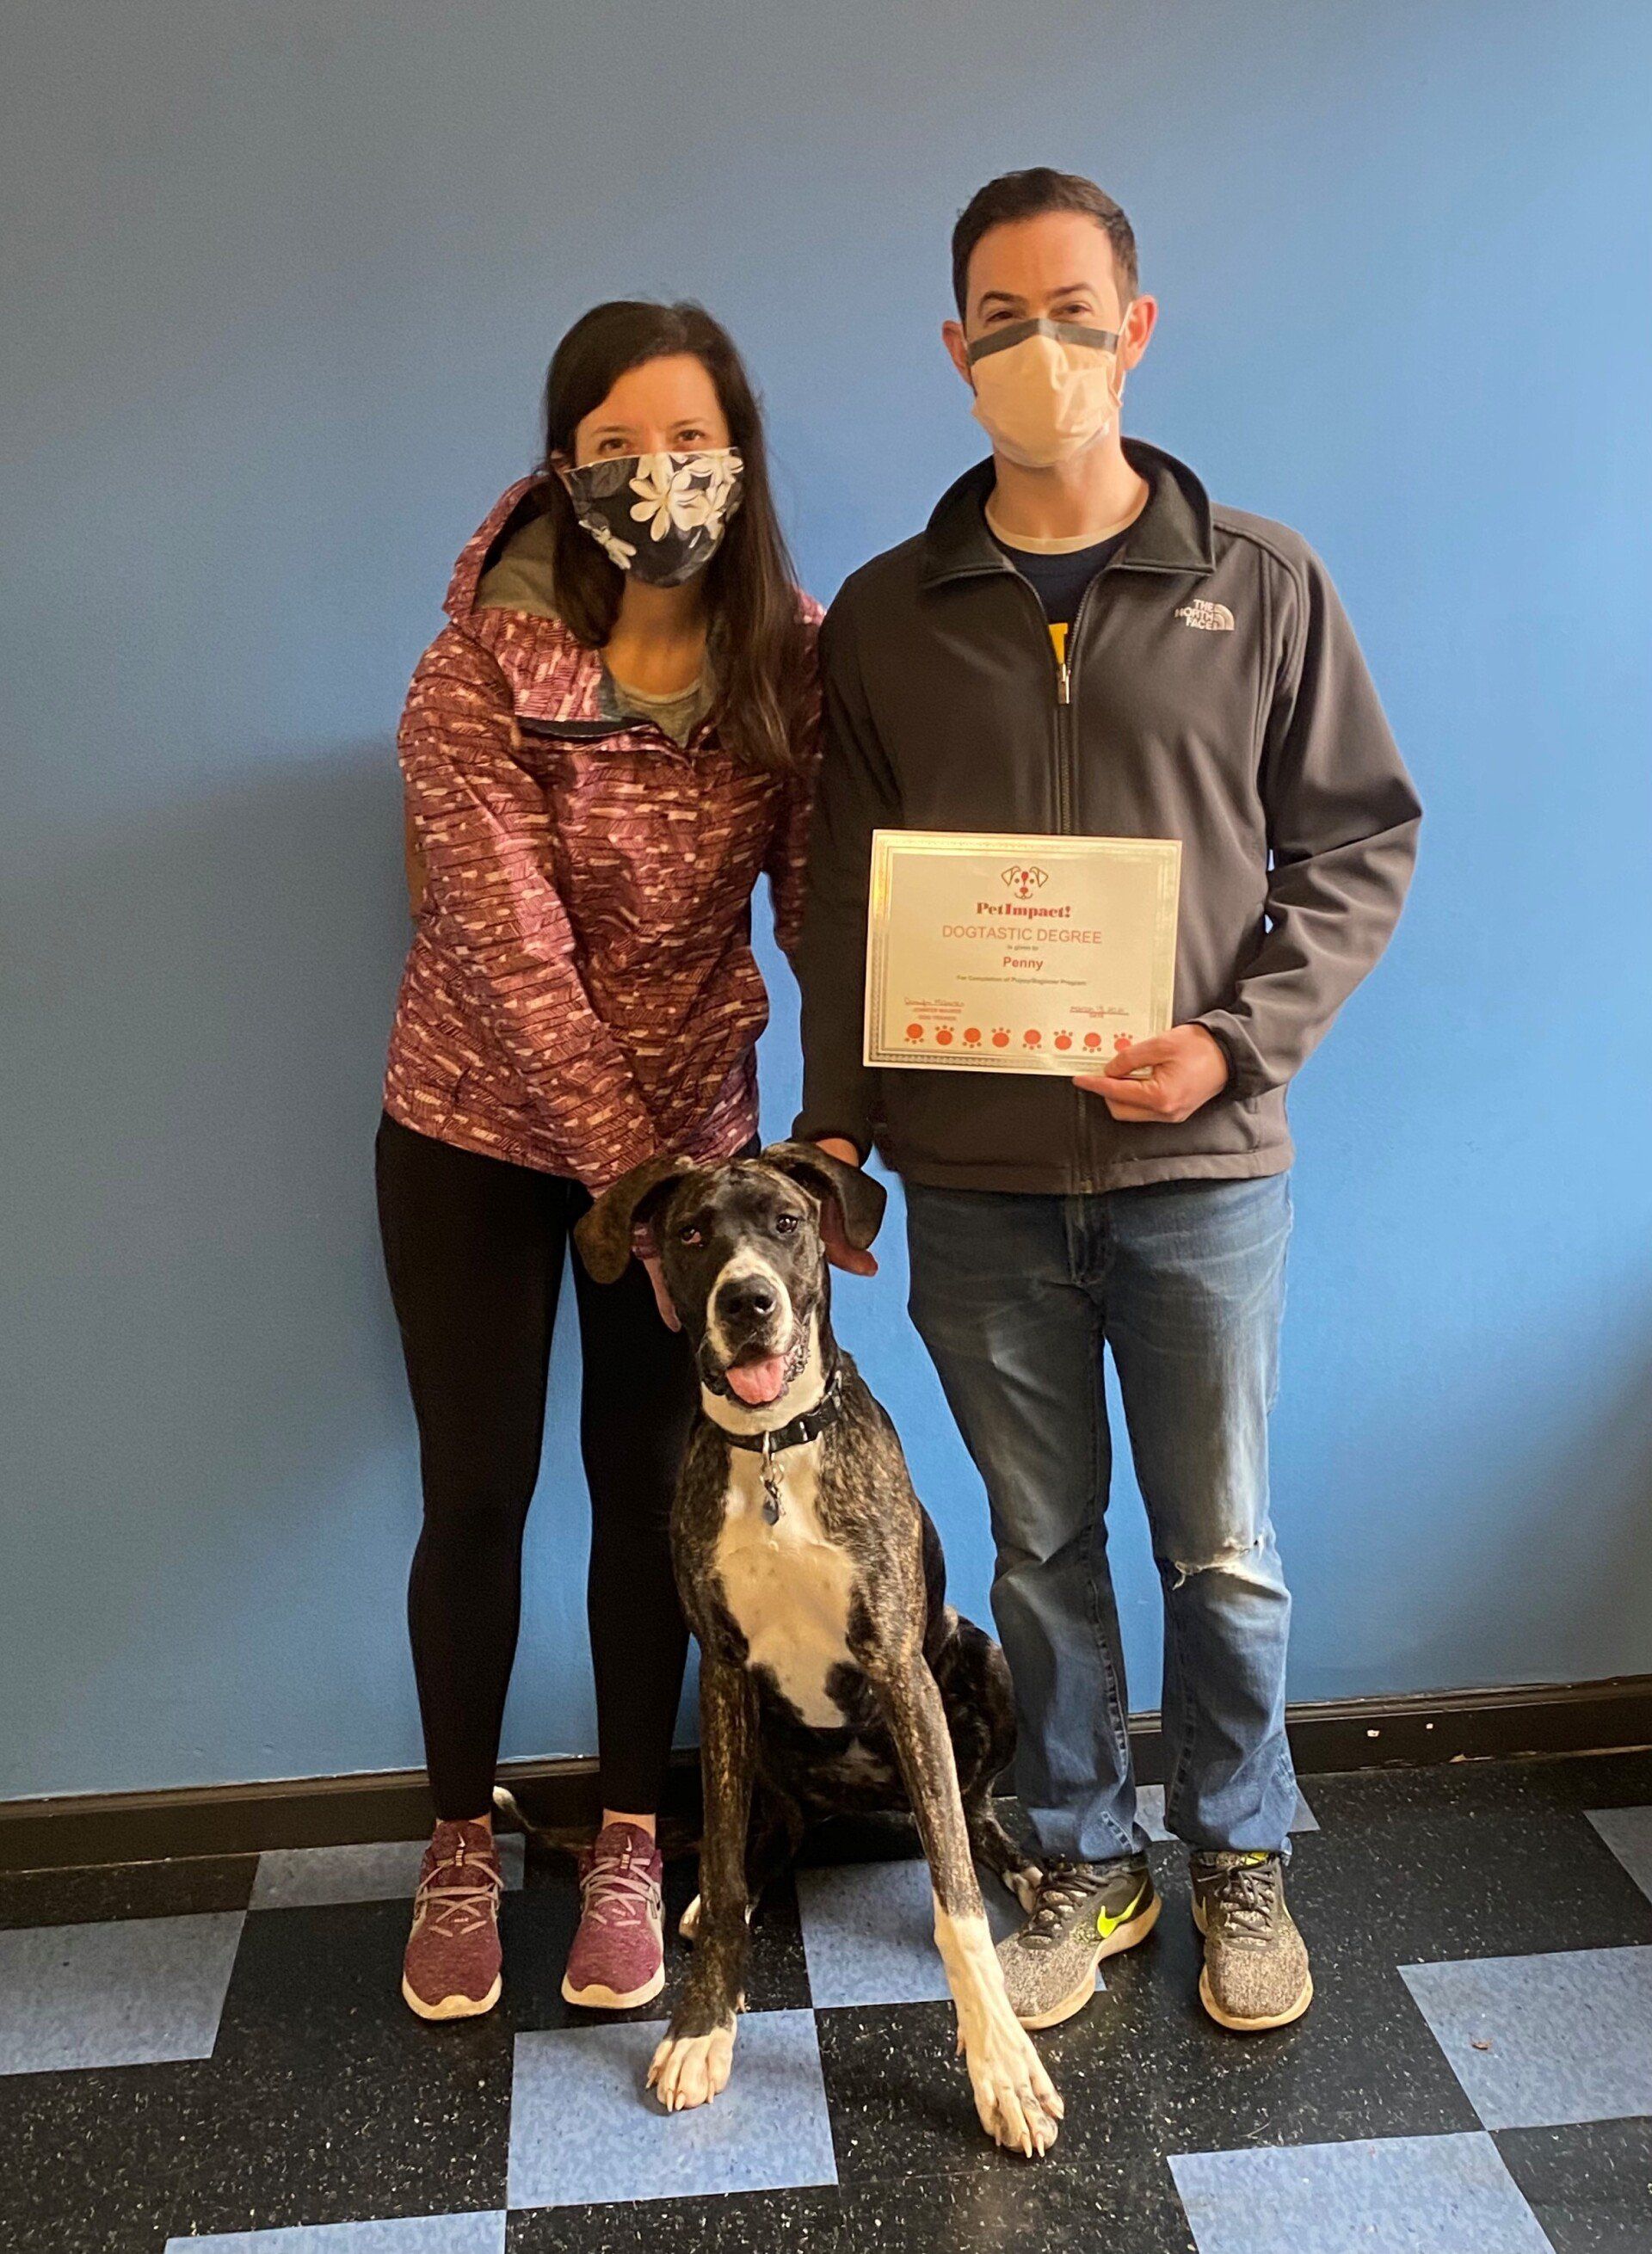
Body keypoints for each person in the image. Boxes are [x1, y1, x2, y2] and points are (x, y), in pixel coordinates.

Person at [794, 169, 1421, 2035]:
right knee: (1038, 1545)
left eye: (1072, 308)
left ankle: (1239, 1846)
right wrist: (838, 1117)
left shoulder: (1265, 584)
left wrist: (1235, 1042)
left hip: (1204, 1167)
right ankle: (1078, 1847)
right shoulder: (889, 620)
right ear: (952, 346)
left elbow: (1359, 845)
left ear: (1136, 330)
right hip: (976, 1175)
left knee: (1219, 1539)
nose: (1036, 344)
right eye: (1000, 314)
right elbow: (847, 889)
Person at [377, 299, 820, 2022]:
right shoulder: (477, 661)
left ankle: (637, 1837)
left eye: (690, 439)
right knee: (474, 1491)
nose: (658, 477)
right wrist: (641, 1186)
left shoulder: (794, 651)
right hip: (474, 1132)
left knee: (659, 1499)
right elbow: (503, 943)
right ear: (565, 464)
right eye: (617, 444)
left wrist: (834, 1119)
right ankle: (456, 1842)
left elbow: (814, 888)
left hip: (702, 1157)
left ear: (743, 451)